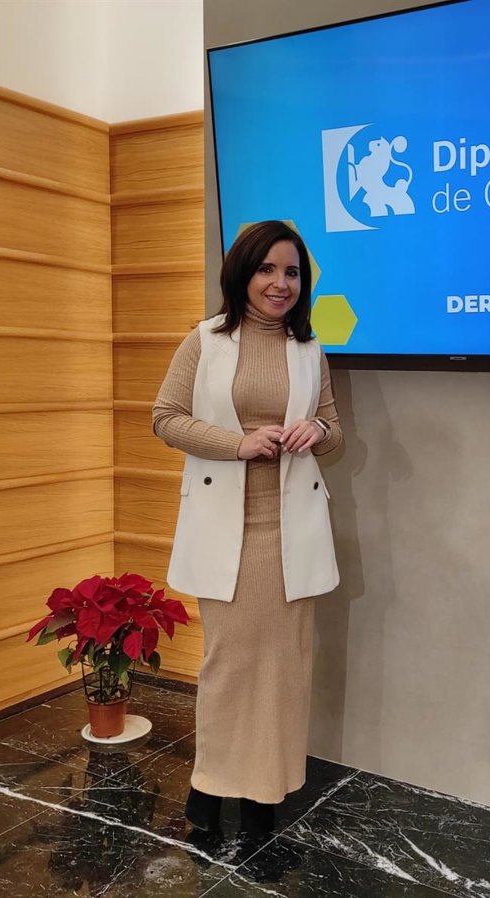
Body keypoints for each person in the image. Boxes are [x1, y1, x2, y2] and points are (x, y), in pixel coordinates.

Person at [151, 220, 343, 838]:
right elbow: (165, 418)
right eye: (267, 269)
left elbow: (334, 429)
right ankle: (209, 789)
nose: (280, 283)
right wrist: (236, 444)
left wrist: (318, 430)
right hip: (226, 530)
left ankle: (265, 798)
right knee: (229, 664)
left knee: (286, 667)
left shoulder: (310, 349)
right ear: (242, 273)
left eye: (292, 272)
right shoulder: (204, 340)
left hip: (293, 531)